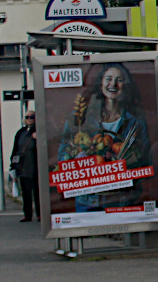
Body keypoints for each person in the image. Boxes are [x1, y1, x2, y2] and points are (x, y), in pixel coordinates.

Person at [57, 63, 152, 212]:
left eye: (119, 80)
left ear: (125, 86)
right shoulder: (81, 119)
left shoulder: (135, 121)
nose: (113, 84)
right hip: (87, 199)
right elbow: (63, 156)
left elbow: (144, 158)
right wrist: (81, 162)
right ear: (100, 82)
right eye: (108, 78)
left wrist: (123, 166)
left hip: (121, 199)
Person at [10, 111, 40, 222]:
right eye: (27, 117)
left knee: (37, 192)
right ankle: (27, 214)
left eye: (32, 117)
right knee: (26, 192)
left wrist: (38, 138)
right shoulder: (21, 132)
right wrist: (13, 165)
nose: (29, 119)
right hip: (22, 167)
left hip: (35, 167)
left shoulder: (38, 131)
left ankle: (40, 214)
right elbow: (15, 149)